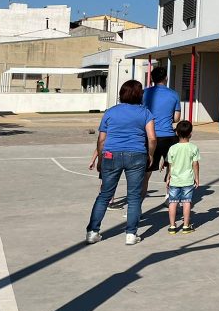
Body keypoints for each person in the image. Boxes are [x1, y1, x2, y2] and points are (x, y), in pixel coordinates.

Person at [85, 80, 156, 245]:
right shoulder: (145, 113)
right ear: (139, 95)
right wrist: (151, 154)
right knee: (134, 196)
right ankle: (131, 234)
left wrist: (100, 159)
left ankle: (93, 231)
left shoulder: (111, 112)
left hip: (111, 154)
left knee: (104, 195)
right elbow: (152, 138)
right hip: (136, 154)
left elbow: (101, 139)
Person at [141, 66, 181, 199]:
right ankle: (169, 196)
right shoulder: (174, 94)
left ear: (152, 78)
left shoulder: (145, 93)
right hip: (168, 136)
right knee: (172, 168)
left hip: (149, 136)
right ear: (166, 78)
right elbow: (176, 118)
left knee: (146, 172)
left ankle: (138, 204)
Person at [166, 120, 200, 234]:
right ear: (190, 134)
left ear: (177, 133)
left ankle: (172, 226)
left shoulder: (173, 148)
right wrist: (197, 177)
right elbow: (195, 164)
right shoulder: (193, 148)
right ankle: (186, 226)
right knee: (186, 202)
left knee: (172, 202)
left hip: (175, 180)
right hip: (188, 180)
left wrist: (168, 177)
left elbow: (170, 165)